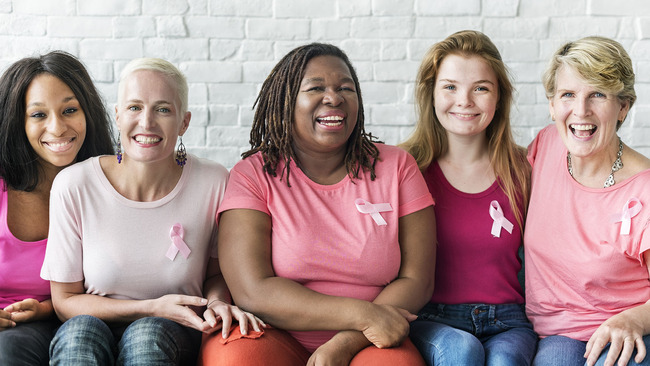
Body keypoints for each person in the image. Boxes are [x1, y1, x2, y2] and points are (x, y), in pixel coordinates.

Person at [199, 42, 436, 366]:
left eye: (345, 88)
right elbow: (252, 290)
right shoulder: (253, 174)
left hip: (371, 340)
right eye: (316, 88)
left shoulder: (397, 167)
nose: (334, 98)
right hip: (273, 333)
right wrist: (362, 315)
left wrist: (346, 342)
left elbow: (417, 280)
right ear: (286, 103)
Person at [41, 57, 264, 366]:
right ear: (118, 117)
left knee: (147, 335)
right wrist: (152, 306)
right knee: (79, 333)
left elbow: (216, 273)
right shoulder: (73, 185)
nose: (146, 122)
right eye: (134, 107)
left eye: (163, 109)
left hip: (173, 331)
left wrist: (216, 301)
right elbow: (64, 301)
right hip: (90, 323)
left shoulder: (214, 182)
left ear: (184, 122)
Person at [400, 30, 536, 365]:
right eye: (450, 87)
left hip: (509, 320)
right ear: (430, 94)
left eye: (481, 88)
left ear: (499, 96)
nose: (465, 100)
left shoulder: (526, 169)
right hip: (432, 319)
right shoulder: (405, 169)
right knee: (461, 352)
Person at [525, 36, 650, 366]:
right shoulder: (546, 146)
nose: (581, 111)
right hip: (558, 334)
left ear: (623, 106)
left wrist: (634, 320)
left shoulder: (645, 190)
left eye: (597, 94)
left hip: (629, 329)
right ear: (552, 104)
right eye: (568, 95)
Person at [0, 51, 114, 366]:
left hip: (87, 321)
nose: (58, 127)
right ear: (17, 120)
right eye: (38, 115)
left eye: (69, 110)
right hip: (10, 328)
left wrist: (48, 308)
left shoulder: (112, 182)